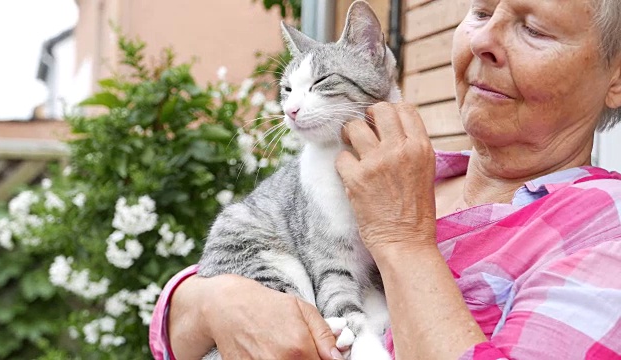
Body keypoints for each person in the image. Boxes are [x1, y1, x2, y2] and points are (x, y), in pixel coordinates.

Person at [150, 0, 621, 359]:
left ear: (615, 78)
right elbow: (177, 325)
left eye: (534, 29)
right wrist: (216, 301)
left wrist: (401, 240)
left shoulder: (604, 232)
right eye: (479, 11)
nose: (483, 41)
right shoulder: (404, 170)